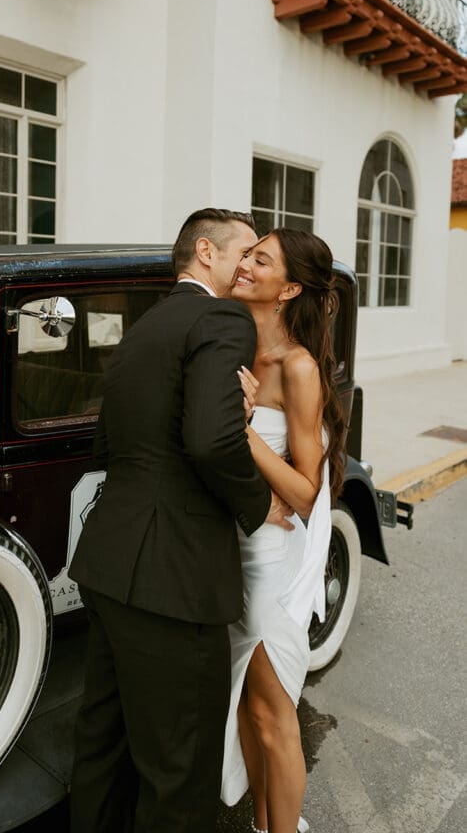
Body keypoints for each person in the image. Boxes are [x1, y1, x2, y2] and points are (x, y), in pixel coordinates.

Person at [68, 208, 294, 833]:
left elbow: (108, 446)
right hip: (174, 579)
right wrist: (259, 504)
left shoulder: (143, 329)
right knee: (178, 771)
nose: (248, 264)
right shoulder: (221, 318)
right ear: (205, 253)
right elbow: (209, 440)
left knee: (102, 746)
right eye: (243, 252)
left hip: (110, 559)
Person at [220, 227, 346, 833]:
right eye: (246, 255)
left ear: (290, 286)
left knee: (276, 718)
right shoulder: (236, 347)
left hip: (271, 562)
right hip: (232, 551)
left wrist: (241, 427)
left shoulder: (297, 368)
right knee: (250, 707)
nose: (244, 264)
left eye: (259, 259)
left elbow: (303, 492)